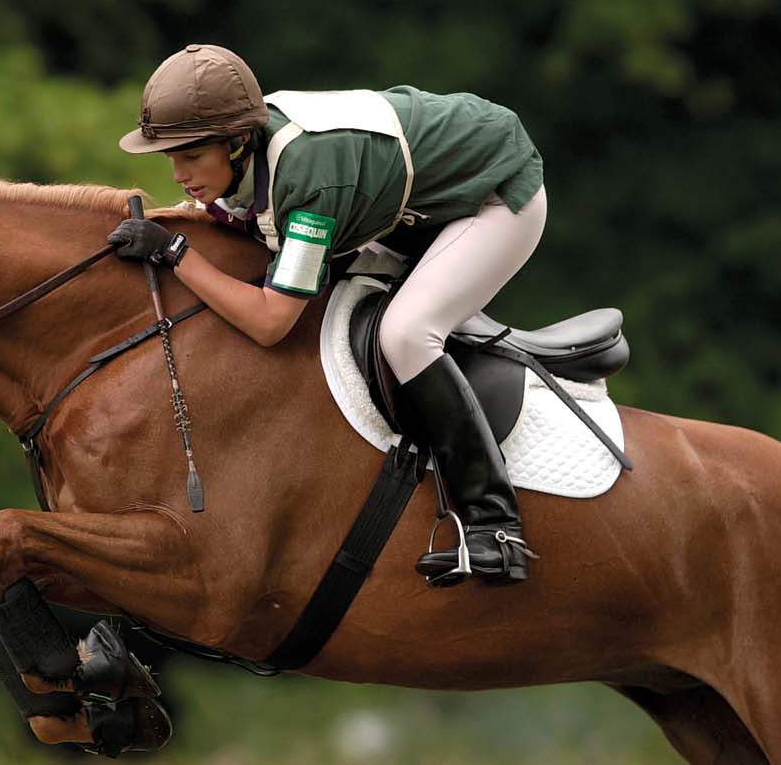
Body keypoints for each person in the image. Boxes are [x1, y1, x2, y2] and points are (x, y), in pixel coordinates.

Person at [109, 44, 546, 586]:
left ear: (239, 141)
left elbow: (271, 323)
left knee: (406, 334)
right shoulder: (250, 152)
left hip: (494, 195)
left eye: (191, 157)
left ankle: (494, 527)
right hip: (405, 204)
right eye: (170, 158)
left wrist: (177, 254)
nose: (178, 174)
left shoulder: (310, 180)